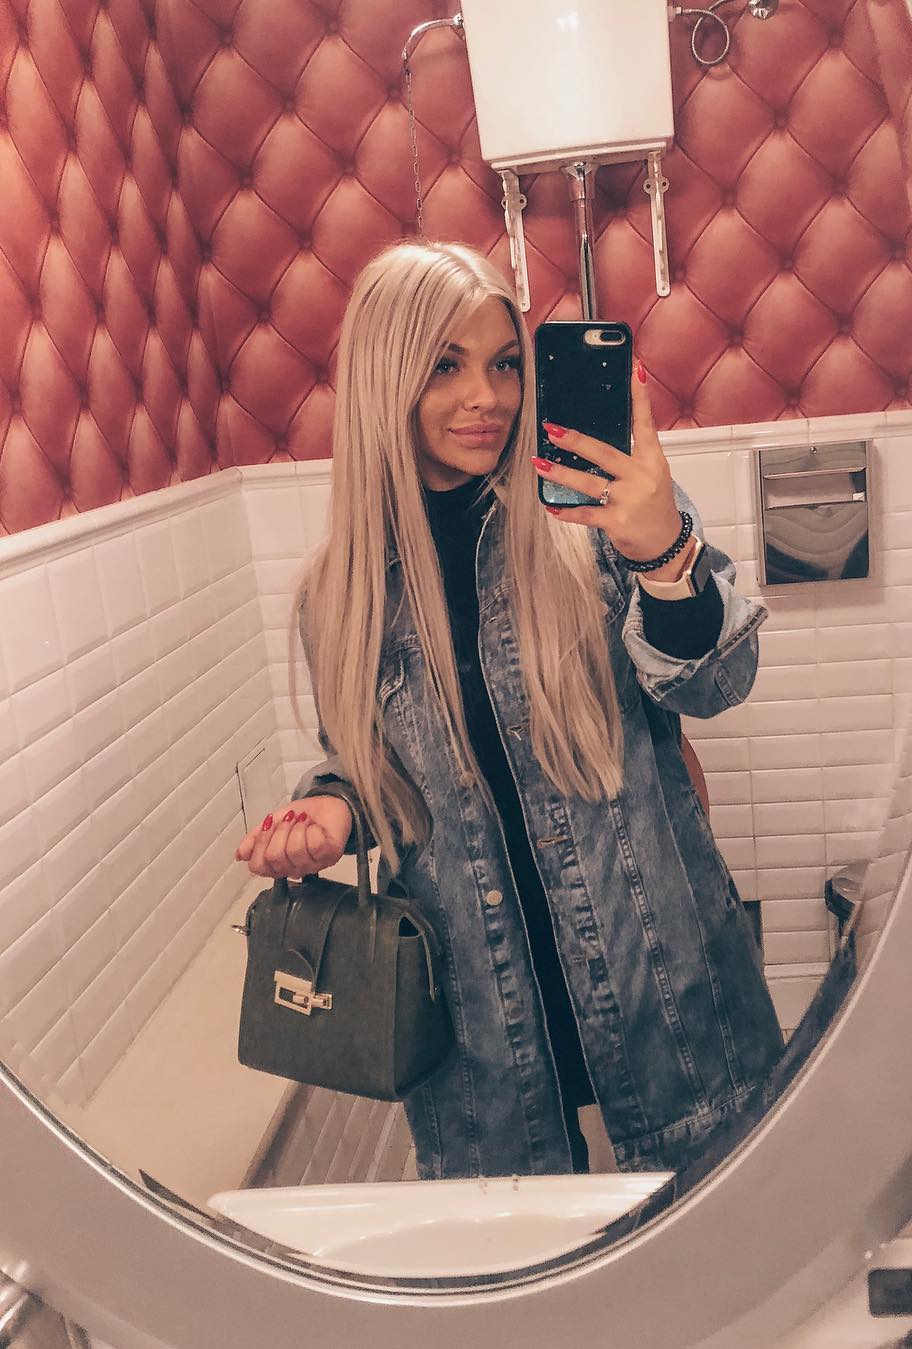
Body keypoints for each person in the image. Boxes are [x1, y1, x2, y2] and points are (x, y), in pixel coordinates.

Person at [236, 240, 783, 1180]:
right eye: (445, 366)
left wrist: (664, 554)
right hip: (483, 1057)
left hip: (669, 1003)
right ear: (385, 379)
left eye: (503, 363)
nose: (485, 397)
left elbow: (715, 684)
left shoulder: (595, 519)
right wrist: (333, 805)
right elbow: (371, 765)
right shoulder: (344, 595)